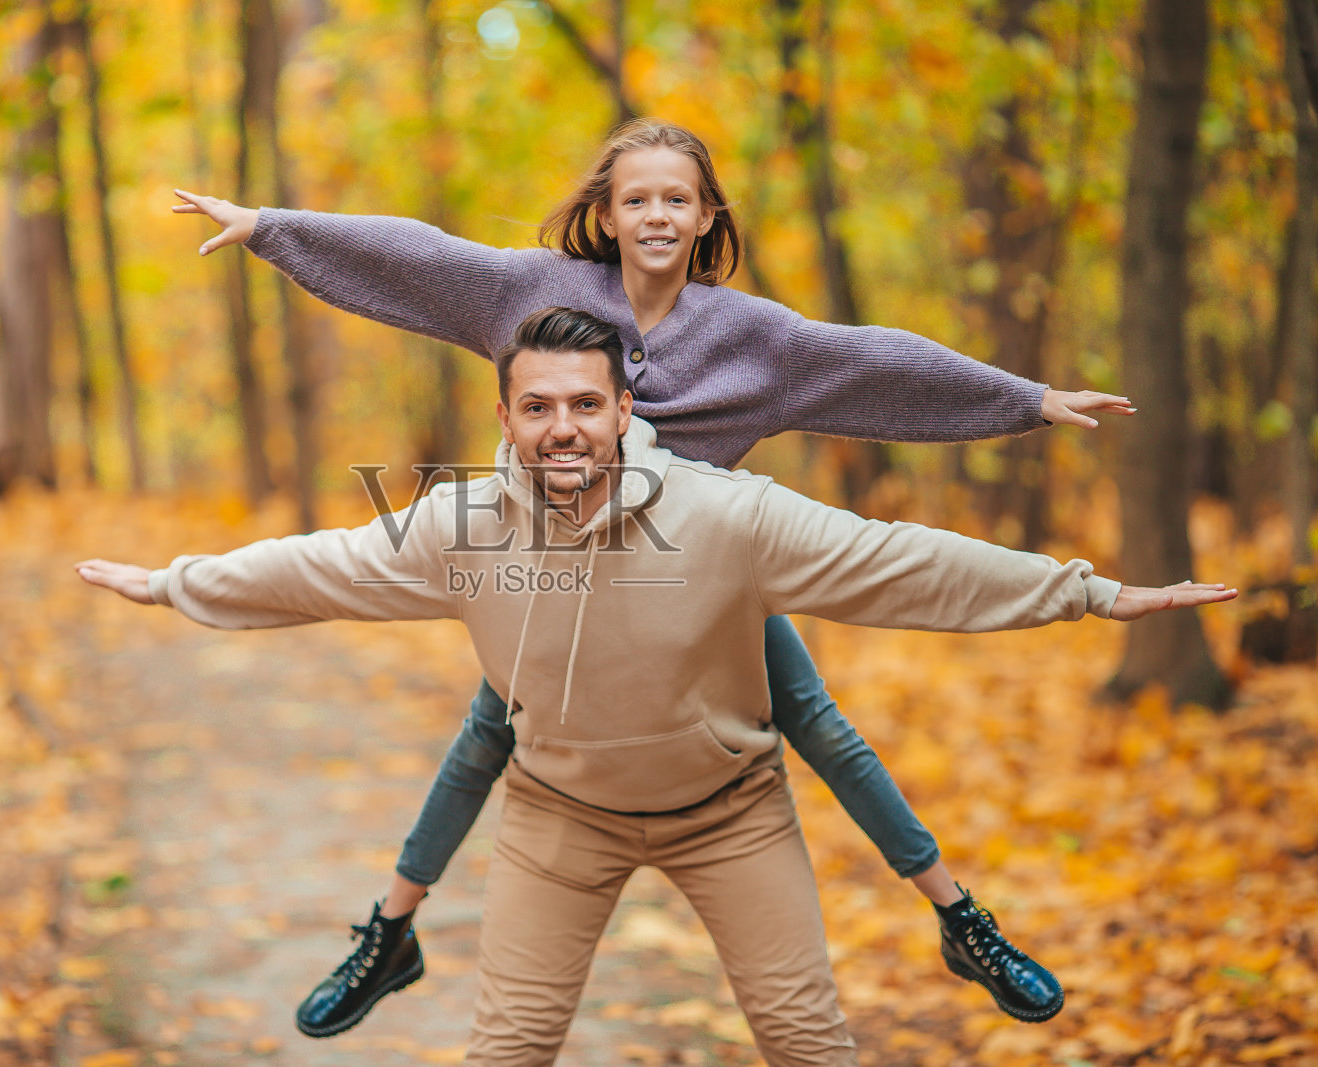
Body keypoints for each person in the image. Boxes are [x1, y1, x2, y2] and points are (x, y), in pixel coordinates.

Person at [170, 119, 1137, 1030]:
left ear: (708, 214)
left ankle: (961, 921)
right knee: (489, 732)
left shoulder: (757, 336)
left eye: (678, 200)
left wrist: (1026, 400)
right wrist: (267, 228)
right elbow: (420, 260)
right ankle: (386, 934)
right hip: (556, 570)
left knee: (823, 728)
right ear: (609, 212)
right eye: (637, 201)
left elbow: (875, 364)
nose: (658, 218)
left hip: (700, 586)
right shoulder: (532, 289)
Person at [77, 307, 1232, 1065]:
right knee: (508, 1046)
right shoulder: (460, 522)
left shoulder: (725, 515)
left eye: (586, 402)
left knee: (806, 1040)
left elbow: (899, 559)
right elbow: (317, 565)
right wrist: (177, 583)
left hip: (728, 809)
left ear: (626, 409)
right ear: (505, 419)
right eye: (538, 405)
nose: (563, 425)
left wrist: (1086, 592)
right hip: (555, 815)